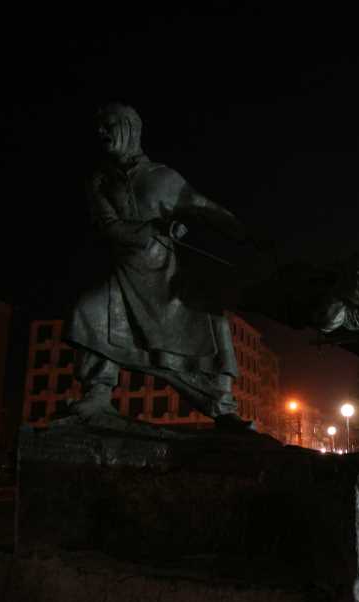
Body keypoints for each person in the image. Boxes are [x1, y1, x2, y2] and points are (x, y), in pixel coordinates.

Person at [64, 103, 252, 431]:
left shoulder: (162, 176)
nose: (102, 133)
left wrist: (242, 234)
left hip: (167, 274)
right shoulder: (100, 180)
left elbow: (202, 207)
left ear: (130, 127)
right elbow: (108, 226)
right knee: (89, 311)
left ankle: (222, 407)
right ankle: (97, 393)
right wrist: (152, 229)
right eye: (100, 128)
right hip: (124, 275)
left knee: (213, 326)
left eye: (109, 125)